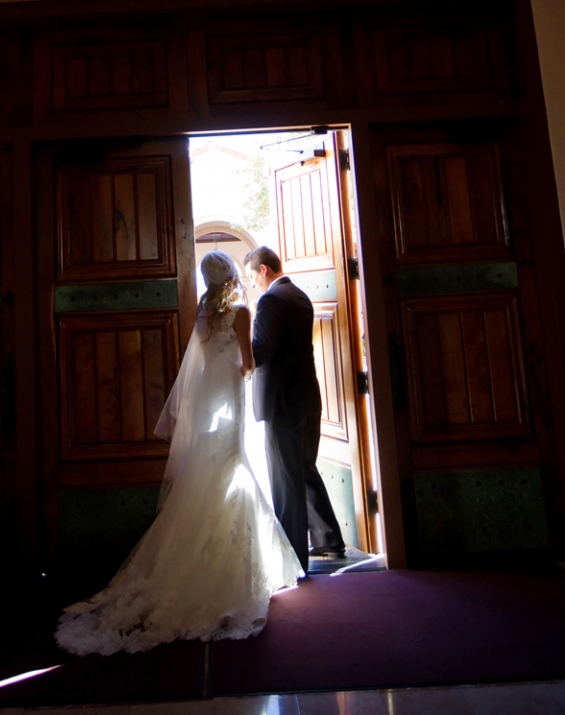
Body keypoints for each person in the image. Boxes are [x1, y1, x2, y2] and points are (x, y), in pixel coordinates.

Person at [55, 250, 302, 656]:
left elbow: (199, 369)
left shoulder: (204, 318)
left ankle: (200, 569)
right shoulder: (240, 312)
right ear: (230, 277)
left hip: (209, 410)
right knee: (232, 471)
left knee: (214, 478)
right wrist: (251, 370)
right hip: (232, 407)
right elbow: (248, 364)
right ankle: (229, 578)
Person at [244, 245, 346, 572]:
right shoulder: (299, 295)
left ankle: (292, 555)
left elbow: (262, 350)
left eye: (252, 276)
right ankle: (329, 539)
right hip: (306, 397)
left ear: (263, 270)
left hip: (281, 401)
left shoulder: (271, 300)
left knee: (285, 479)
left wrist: (233, 348)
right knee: (304, 469)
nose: (253, 284)